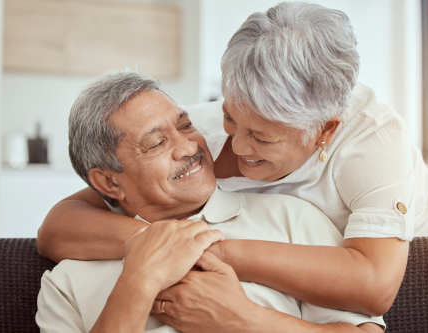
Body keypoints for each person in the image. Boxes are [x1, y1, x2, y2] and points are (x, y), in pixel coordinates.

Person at [37, 1, 428, 326]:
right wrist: (151, 251)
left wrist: (195, 248)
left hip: (407, 255)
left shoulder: (371, 142)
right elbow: (62, 224)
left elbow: (373, 286)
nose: (235, 144)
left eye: (263, 137)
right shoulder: (196, 132)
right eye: (231, 117)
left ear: (324, 132)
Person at [36, 71, 384, 333]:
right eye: (156, 143)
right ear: (109, 182)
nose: (189, 148)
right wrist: (139, 281)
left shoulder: (293, 219)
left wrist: (245, 320)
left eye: (186, 126)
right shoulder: (67, 282)